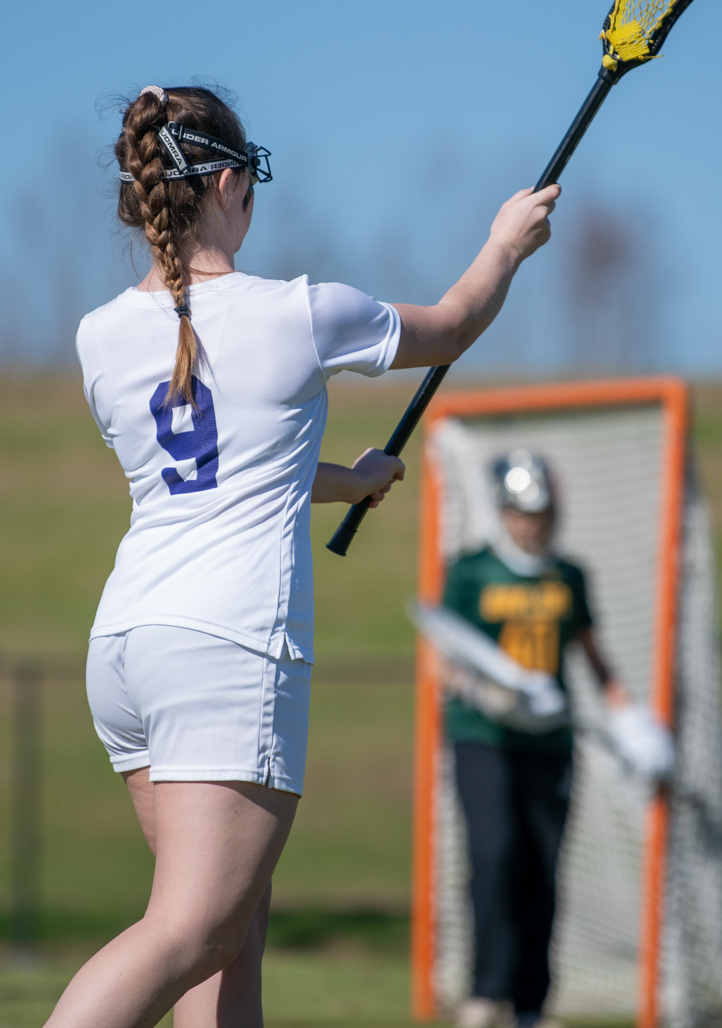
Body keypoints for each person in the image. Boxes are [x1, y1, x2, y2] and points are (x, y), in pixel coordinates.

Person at [53, 84, 556, 1028]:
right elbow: (454, 322)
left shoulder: (99, 337)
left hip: (128, 642)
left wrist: (343, 481)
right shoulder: (301, 311)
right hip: (227, 641)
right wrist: (505, 244)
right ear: (232, 182)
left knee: (229, 932)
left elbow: (211, 464)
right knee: (192, 928)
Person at [443, 451, 626, 1028]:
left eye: (542, 514)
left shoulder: (567, 576)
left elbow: (594, 657)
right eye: (524, 514)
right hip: (485, 736)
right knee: (494, 854)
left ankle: (531, 1003)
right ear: (504, 512)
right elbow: (445, 654)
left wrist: (629, 718)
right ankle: (485, 990)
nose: (533, 525)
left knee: (542, 866)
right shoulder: (472, 570)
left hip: (550, 743)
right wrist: (481, 690)